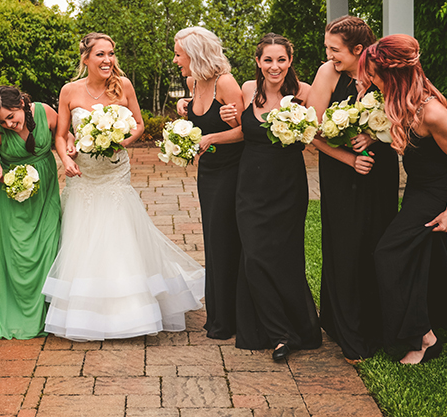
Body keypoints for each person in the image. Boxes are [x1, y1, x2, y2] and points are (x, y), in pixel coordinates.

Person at [44, 32, 205, 341]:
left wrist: (121, 143)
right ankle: (87, 312)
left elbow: (140, 126)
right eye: (101, 55)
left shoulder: (124, 85)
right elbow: (62, 135)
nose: (108, 60)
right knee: (84, 237)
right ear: (86, 59)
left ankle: (131, 312)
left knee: (118, 235)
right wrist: (66, 158)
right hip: (84, 177)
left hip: (115, 172)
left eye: (111, 54)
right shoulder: (69, 91)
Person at [359, 34, 447, 364]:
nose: (371, 80)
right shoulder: (397, 101)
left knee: (389, 254)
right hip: (419, 186)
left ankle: (424, 337)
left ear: (393, 75)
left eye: (374, 74)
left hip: (441, 190)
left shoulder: (432, 113)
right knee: (434, 261)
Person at [220, 33, 321, 361]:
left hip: (288, 187)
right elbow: (243, 130)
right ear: (258, 62)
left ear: (290, 60)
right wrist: (212, 135)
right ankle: (278, 334)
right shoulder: (248, 90)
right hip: (250, 187)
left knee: (286, 258)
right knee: (255, 257)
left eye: (281, 59)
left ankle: (293, 331)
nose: (274, 66)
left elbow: (316, 137)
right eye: (268, 60)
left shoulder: (303, 93)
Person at [306, 16, 397, 362]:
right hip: (342, 172)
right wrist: (348, 159)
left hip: (379, 171)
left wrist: (374, 134)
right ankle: (347, 327)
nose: (328, 55)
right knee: (345, 245)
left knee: (377, 243)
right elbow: (311, 131)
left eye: (334, 49)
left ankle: (381, 324)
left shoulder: (382, 71)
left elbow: (400, 112)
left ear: (358, 50)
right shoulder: (327, 73)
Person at [0, 86, 62, 339]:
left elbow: (64, 135)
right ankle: (22, 315)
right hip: (15, 201)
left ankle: (49, 315)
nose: (9, 124)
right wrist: (0, 177)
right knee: (20, 256)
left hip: (46, 195)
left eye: (11, 116)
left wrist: (70, 149)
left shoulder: (45, 112)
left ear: (21, 103)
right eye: (2, 121)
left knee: (49, 247)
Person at [173, 27, 245, 340]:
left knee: (228, 240)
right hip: (208, 173)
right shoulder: (193, 82)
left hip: (233, 172)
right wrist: (184, 110)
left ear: (195, 53)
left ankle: (233, 318)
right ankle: (218, 314)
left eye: (179, 54)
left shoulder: (225, 82)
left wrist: (213, 137)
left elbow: (247, 130)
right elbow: (200, 124)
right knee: (214, 241)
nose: (176, 60)